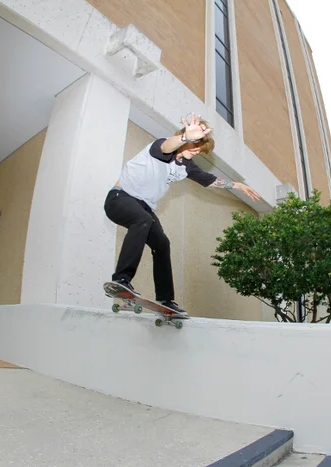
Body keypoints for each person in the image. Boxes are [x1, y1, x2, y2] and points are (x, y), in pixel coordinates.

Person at [104, 113, 262, 316]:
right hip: (120, 198)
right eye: (195, 145)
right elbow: (166, 146)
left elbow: (210, 180)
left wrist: (236, 185)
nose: (196, 151)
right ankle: (121, 279)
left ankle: (166, 299)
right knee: (142, 220)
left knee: (162, 244)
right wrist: (186, 137)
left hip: (144, 207)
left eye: (200, 150)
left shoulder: (187, 167)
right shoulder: (162, 149)